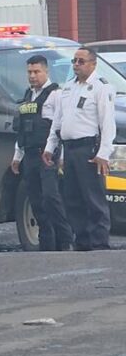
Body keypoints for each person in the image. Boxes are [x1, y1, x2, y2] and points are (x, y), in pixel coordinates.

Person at [43, 47, 116, 251]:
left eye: (81, 61)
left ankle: (99, 242)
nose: (76, 64)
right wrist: (51, 147)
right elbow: (58, 121)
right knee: (73, 197)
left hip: (88, 149)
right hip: (70, 148)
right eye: (74, 61)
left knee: (93, 197)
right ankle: (82, 240)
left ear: (93, 64)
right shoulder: (68, 88)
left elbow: (107, 123)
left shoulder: (101, 88)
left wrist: (103, 153)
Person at [11, 55, 73, 252]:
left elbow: (60, 128)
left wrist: (61, 157)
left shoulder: (56, 95)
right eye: (29, 72)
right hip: (29, 155)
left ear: (46, 72)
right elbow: (23, 129)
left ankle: (65, 240)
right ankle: (47, 243)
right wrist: (16, 157)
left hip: (48, 155)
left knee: (51, 197)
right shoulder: (27, 96)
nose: (32, 76)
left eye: (36, 71)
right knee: (36, 199)